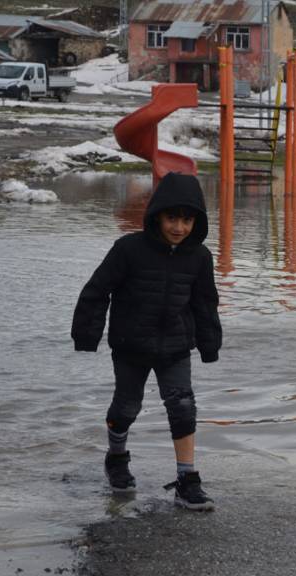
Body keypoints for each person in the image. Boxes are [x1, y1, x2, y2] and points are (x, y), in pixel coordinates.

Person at [72, 172, 222, 511]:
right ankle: (117, 457)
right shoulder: (128, 249)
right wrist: (87, 335)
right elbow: (96, 292)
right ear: (157, 215)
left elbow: (205, 303)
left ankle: (187, 480)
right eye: (173, 218)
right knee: (126, 409)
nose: (179, 228)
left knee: (182, 406)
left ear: (195, 221)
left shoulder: (199, 257)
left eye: (187, 220)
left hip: (175, 347)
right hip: (130, 346)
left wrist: (209, 344)